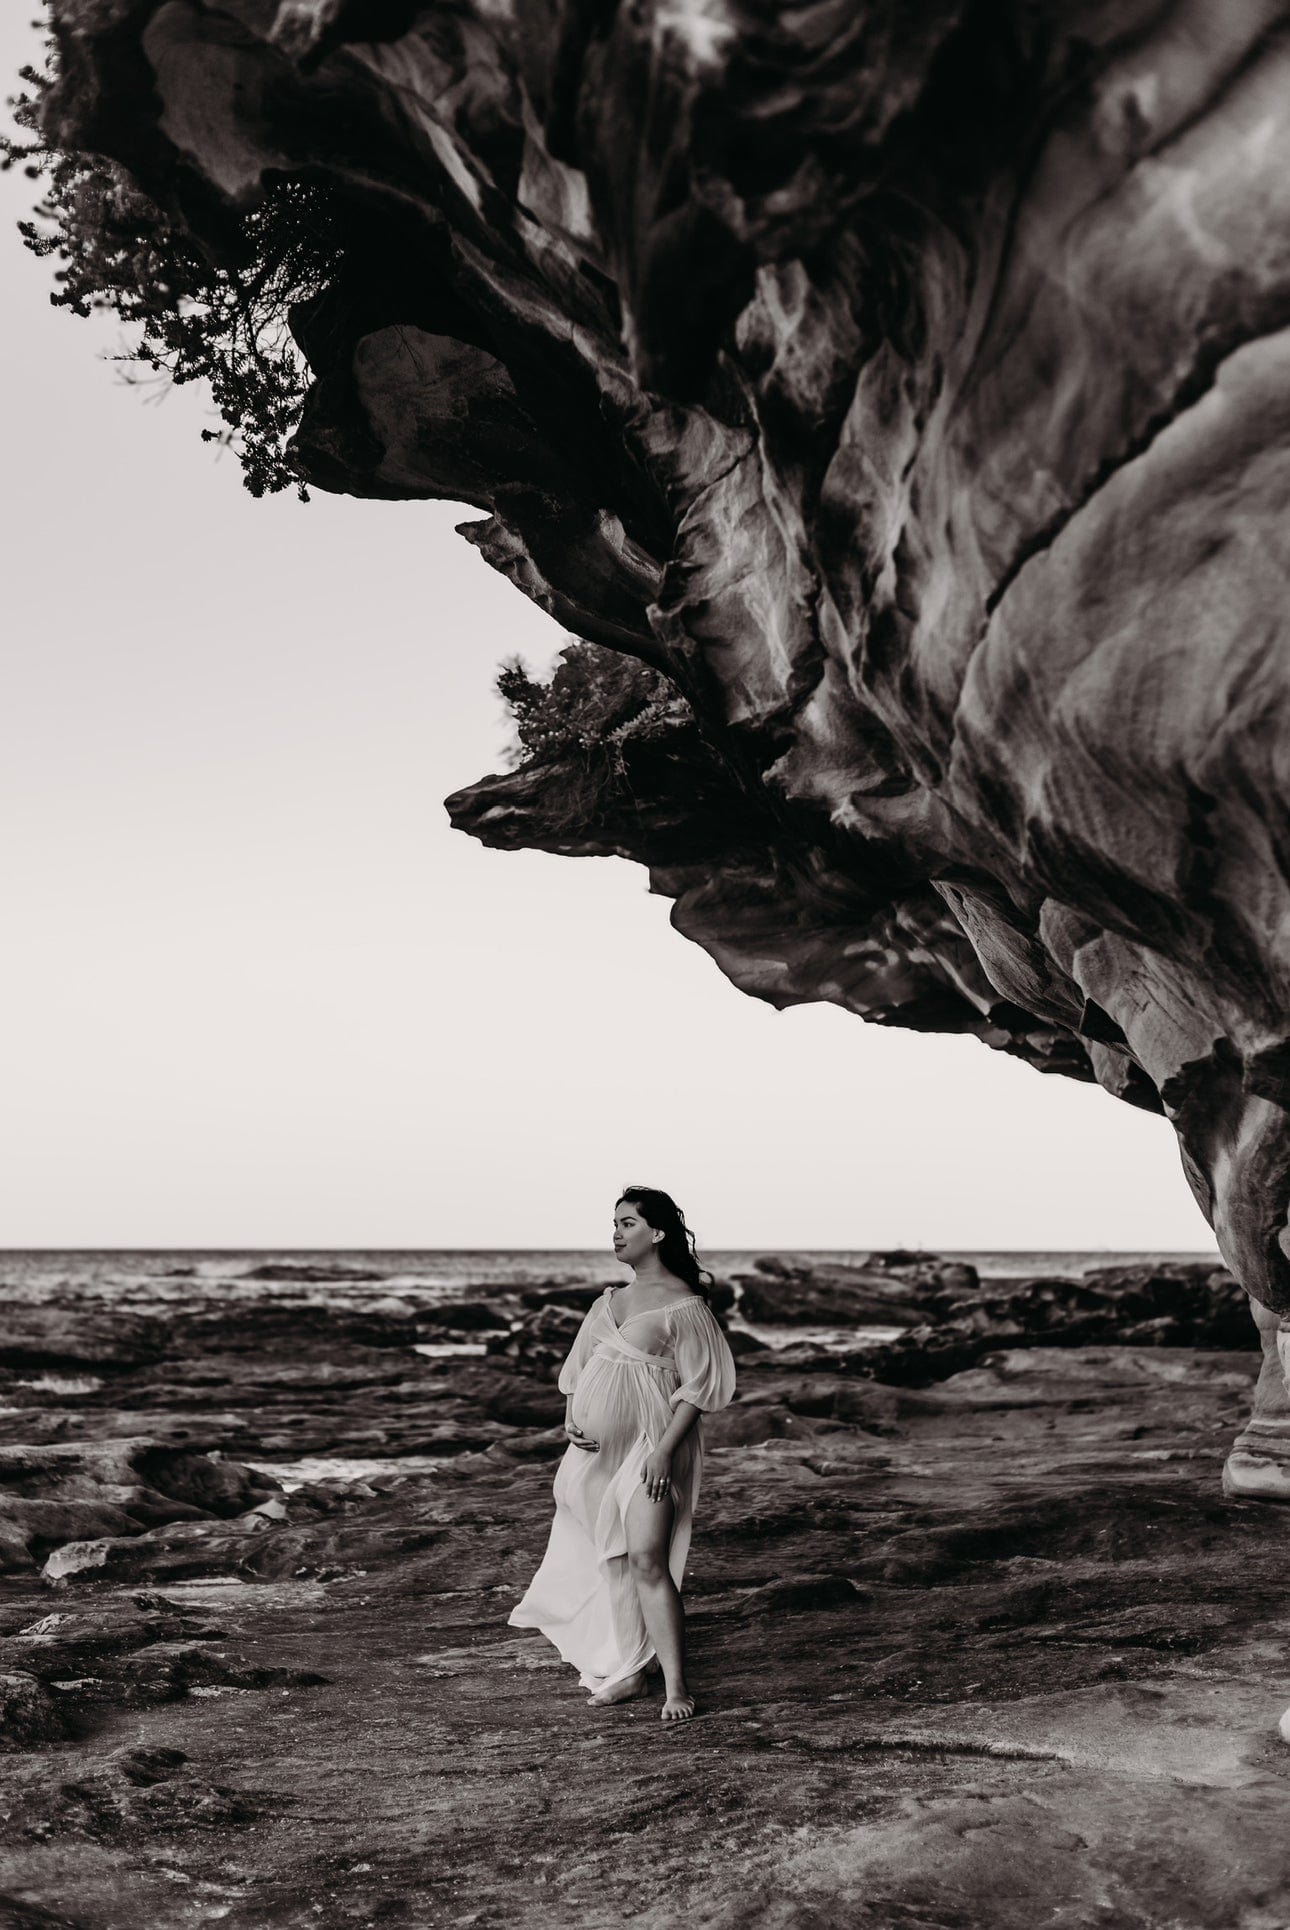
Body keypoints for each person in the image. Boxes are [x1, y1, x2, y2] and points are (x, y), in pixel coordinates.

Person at [508, 1186, 737, 1721]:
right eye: (614, 1222)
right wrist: (573, 1414)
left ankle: (677, 1686)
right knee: (612, 1560)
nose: (616, 1231)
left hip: (650, 1446)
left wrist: (663, 1452)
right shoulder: (607, 1300)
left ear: (657, 1233)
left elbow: (700, 1388)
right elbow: (580, 1368)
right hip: (594, 1454)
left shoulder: (684, 1304)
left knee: (646, 1559)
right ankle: (633, 1670)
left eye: (628, 1222)